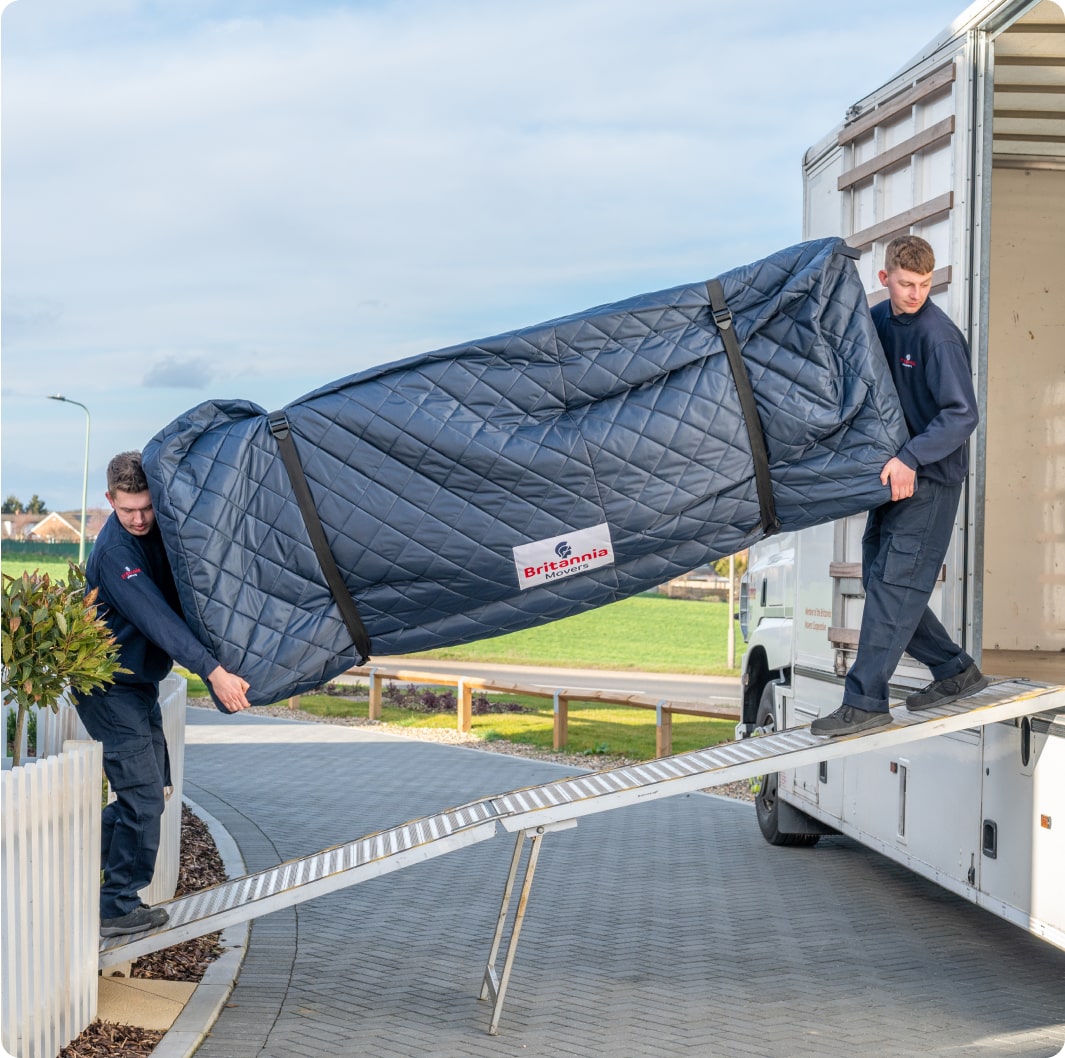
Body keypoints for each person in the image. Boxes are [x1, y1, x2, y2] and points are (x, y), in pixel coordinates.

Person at [811, 235, 987, 738]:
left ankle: (865, 701)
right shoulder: (879, 320)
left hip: (930, 479)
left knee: (894, 588)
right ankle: (954, 671)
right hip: (892, 480)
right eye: (907, 283)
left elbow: (962, 414)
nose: (916, 293)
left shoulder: (939, 337)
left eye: (925, 284)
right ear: (885, 279)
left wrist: (911, 456)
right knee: (878, 579)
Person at [74, 451, 252, 936]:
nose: (138, 518)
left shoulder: (161, 531)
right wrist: (211, 671)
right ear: (110, 499)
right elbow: (157, 618)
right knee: (143, 798)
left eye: (146, 508)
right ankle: (116, 908)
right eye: (128, 508)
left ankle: (76, 856)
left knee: (156, 792)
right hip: (108, 690)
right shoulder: (115, 554)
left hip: (138, 687)